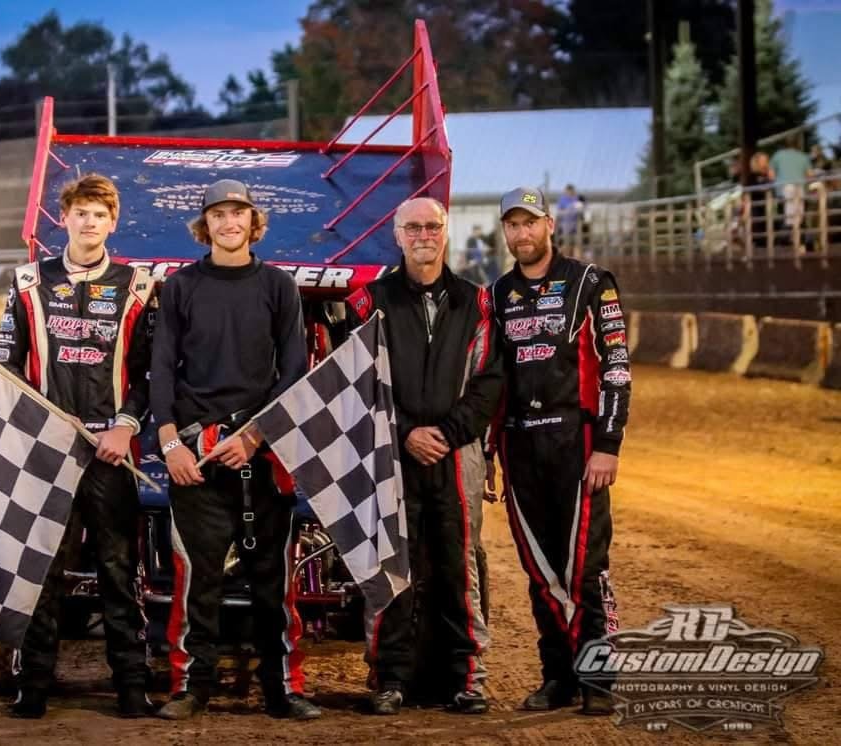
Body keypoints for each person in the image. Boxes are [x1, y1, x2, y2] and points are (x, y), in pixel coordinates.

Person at [149, 179, 320, 721]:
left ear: (253, 222)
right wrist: (170, 443)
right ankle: (189, 688)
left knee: (274, 582)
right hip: (196, 454)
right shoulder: (179, 288)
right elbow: (159, 372)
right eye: (219, 215)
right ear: (206, 225)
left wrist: (253, 437)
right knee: (196, 580)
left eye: (238, 214)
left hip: (263, 452)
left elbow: (295, 372)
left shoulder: (278, 287)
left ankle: (283, 688)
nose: (229, 223)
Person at [0, 173, 156, 718]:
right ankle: (33, 685)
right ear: (62, 219)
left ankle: (133, 686)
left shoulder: (139, 284)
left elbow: (151, 372)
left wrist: (126, 425)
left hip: (112, 451)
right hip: (48, 449)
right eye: (80, 212)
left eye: (99, 215)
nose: (89, 222)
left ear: (114, 222)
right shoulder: (27, 282)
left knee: (118, 568)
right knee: (42, 569)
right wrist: (32, 429)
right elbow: (4, 369)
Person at [345, 197, 504, 716]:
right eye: (411, 226)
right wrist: (409, 431)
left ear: (444, 232)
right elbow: (357, 382)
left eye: (431, 226)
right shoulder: (369, 301)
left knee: (461, 565)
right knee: (391, 564)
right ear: (396, 234)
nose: (422, 235)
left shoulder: (477, 303)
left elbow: (489, 382)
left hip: (457, 455)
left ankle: (467, 678)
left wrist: (447, 432)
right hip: (391, 452)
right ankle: (389, 677)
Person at [487, 187, 629, 717]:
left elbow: (617, 369)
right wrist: (489, 450)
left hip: (579, 444)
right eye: (513, 225)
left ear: (550, 224)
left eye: (530, 223)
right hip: (519, 446)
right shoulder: (496, 295)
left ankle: (600, 678)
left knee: (585, 566)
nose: (522, 234)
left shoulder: (592, 283)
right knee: (539, 567)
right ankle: (557, 678)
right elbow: (489, 379)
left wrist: (609, 445)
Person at [769, 135, 813, 237]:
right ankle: (803, 240)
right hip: (800, 190)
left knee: (784, 217)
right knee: (800, 218)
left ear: (785, 144)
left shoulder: (778, 155)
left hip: (782, 191)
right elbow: (810, 175)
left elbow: (771, 175)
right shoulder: (803, 156)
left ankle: (785, 241)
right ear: (797, 144)